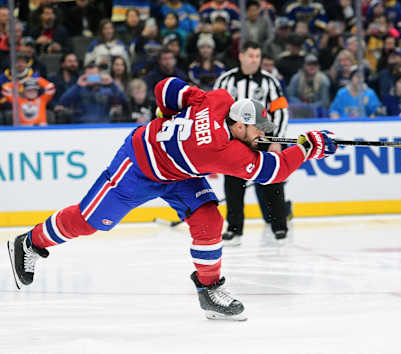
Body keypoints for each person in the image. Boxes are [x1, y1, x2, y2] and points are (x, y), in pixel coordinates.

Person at [6, 76, 337, 321]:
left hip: (178, 173)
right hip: (139, 164)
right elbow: (272, 172)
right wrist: (309, 147)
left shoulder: (218, 99)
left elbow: (165, 86)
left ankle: (209, 290)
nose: (261, 136)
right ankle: (30, 242)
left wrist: (169, 110)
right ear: (238, 124)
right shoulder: (222, 150)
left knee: (209, 219)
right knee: (89, 221)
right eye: (257, 131)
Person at [214, 41, 290, 245]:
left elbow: (280, 110)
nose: (254, 60)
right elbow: (215, 110)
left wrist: (277, 139)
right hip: (235, 140)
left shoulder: (269, 81)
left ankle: (279, 227)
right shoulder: (226, 80)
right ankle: (234, 228)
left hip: (263, 139)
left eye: (257, 56)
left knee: (272, 182)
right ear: (240, 56)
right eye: (250, 55)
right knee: (233, 185)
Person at [58, 62, 128, 123]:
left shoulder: (107, 91)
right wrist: (77, 85)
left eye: (94, 74)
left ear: (99, 75)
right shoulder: (78, 90)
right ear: (85, 76)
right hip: (81, 127)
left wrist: (112, 84)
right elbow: (63, 101)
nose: (92, 77)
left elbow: (124, 101)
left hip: (103, 127)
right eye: (90, 75)